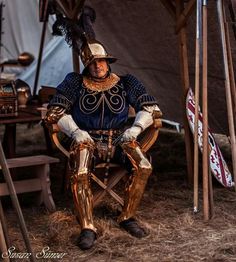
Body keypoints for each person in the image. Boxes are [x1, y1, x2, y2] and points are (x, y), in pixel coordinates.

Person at [45, 39, 162, 250]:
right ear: (86, 65)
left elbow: (151, 108)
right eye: (92, 63)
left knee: (143, 166)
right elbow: (56, 112)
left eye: (102, 61)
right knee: (80, 172)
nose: (98, 66)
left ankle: (127, 217)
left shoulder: (127, 82)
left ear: (108, 62)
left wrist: (135, 129)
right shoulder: (75, 82)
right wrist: (76, 132)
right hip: (87, 140)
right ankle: (87, 227)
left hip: (120, 139)